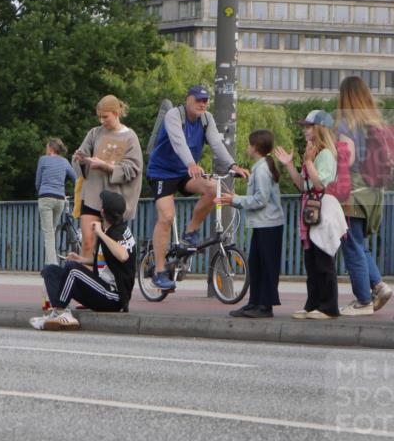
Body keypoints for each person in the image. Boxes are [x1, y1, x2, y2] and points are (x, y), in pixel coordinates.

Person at [146, 85, 249, 291]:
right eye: (198, 100)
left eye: (205, 100)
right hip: (162, 172)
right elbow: (178, 143)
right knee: (166, 217)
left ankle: (190, 232)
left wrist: (232, 165)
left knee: (213, 188)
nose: (203, 104)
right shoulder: (175, 116)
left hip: (185, 171)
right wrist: (191, 163)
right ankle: (158, 271)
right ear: (188, 100)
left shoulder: (206, 119)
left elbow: (217, 144)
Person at [30, 190, 136, 330]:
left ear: (103, 212)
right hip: (100, 289)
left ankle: (61, 312)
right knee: (50, 270)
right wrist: (82, 260)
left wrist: (99, 234)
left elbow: (123, 256)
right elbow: (107, 260)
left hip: (114, 297)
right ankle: (61, 313)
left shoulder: (118, 232)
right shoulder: (107, 230)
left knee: (72, 270)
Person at [275, 110, 345, 320]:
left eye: (308, 126)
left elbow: (320, 184)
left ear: (319, 128)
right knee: (312, 260)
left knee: (323, 259)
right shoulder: (313, 153)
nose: (305, 130)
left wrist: (309, 162)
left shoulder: (324, 154)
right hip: (312, 208)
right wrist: (290, 164)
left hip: (322, 208)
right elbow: (303, 185)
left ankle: (329, 307)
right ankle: (313, 303)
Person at [334, 75, 392, 315]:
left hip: (354, 192)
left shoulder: (346, 123)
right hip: (375, 193)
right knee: (359, 242)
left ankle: (362, 300)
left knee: (350, 245)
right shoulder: (377, 123)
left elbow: (350, 158)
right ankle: (378, 285)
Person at [72, 95, 143, 260]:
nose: (102, 120)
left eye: (105, 117)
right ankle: (85, 282)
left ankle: (105, 283)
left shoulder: (130, 137)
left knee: (109, 247)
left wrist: (107, 166)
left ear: (116, 113)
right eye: (99, 117)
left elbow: (134, 169)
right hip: (92, 197)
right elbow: (81, 158)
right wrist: (80, 159)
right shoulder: (94, 133)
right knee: (88, 243)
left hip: (113, 202)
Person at [221, 130, 284, 318]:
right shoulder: (261, 166)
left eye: (249, 144)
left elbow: (260, 200)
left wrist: (235, 200)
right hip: (263, 224)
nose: (247, 147)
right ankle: (254, 302)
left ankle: (265, 306)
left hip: (269, 224)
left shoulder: (262, 169)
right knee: (256, 264)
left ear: (255, 147)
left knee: (266, 265)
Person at [35, 137, 76, 266]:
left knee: (48, 233)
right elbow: (75, 178)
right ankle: (53, 262)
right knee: (53, 230)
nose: (45, 149)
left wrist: (40, 191)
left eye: (47, 147)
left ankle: (51, 266)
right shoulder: (64, 162)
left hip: (46, 197)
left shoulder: (43, 160)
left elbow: (38, 180)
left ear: (51, 148)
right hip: (60, 199)